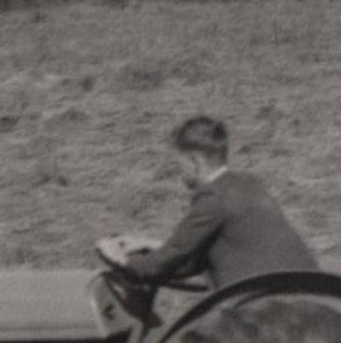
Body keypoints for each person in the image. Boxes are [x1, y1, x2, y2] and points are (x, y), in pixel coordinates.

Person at [106, 115, 320, 302]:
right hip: (306, 291)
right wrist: (147, 245)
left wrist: (122, 261)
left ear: (194, 161)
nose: (179, 172)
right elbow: (193, 256)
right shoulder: (249, 184)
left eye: (179, 164)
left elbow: (172, 256)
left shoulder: (212, 198)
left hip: (263, 304)